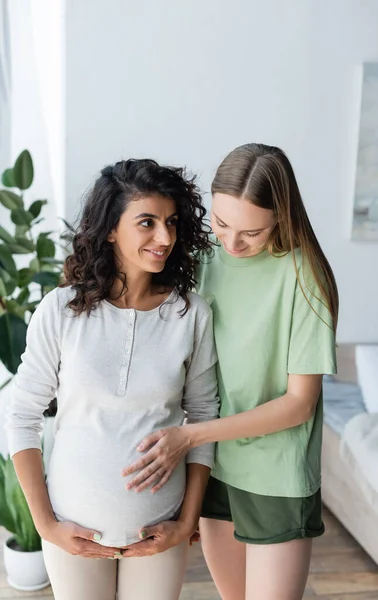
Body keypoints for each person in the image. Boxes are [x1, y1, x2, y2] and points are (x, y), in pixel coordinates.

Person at [122, 144, 339, 600]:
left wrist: (192, 437)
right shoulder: (204, 262)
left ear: (281, 217)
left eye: (251, 232)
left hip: (275, 477)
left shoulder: (305, 277)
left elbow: (300, 405)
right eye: (221, 224)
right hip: (214, 469)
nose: (232, 244)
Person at [5, 158, 219, 600]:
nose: (165, 237)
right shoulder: (61, 310)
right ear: (109, 229)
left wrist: (186, 521)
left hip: (158, 531)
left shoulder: (190, 314)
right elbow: (22, 415)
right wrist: (47, 526)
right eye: (147, 222)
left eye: (172, 222)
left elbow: (203, 419)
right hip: (73, 532)